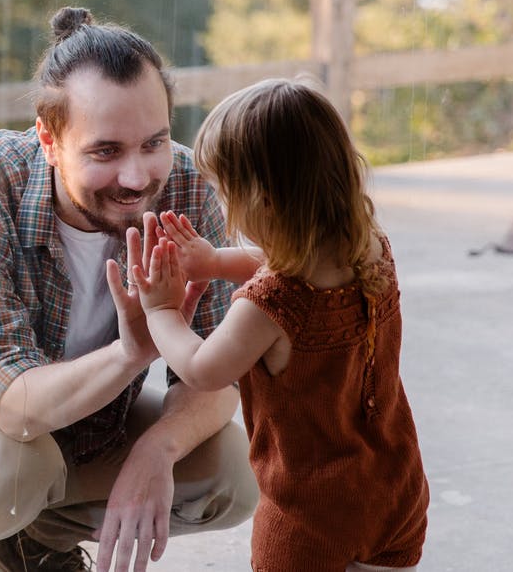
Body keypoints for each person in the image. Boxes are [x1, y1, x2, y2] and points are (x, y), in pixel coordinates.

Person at [0, 6, 258, 572]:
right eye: (106, 151)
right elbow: (12, 406)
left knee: (231, 471)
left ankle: (29, 543)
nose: (137, 178)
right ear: (49, 140)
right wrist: (131, 352)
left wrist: (158, 448)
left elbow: (220, 374)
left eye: (153, 142)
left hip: (68, 426)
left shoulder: (184, 189)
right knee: (13, 467)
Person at [129, 78, 430, 572]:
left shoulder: (269, 305)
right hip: (395, 489)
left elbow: (203, 369)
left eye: (225, 191)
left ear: (263, 200)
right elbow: (293, 261)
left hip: (310, 516)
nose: (222, 204)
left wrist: (161, 310)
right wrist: (215, 262)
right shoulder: (370, 248)